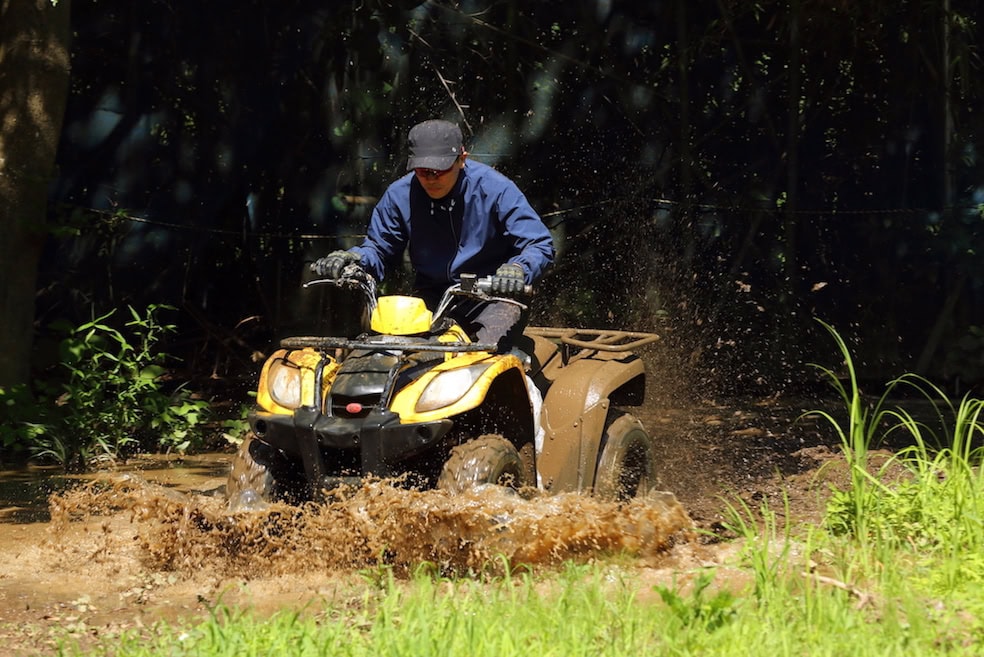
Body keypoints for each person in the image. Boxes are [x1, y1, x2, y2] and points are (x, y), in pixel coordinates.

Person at [312, 119, 555, 350]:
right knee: (390, 354)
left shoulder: (495, 189)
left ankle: (524, 385)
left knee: (484, 357)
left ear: (462, 159)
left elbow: (539, 244)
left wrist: (519, 269)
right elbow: (378, 248)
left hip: (493, 298)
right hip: (431, 300)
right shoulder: (400, 195)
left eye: (439, 170)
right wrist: (353, 260)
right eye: (422, 171)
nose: (431, 178)